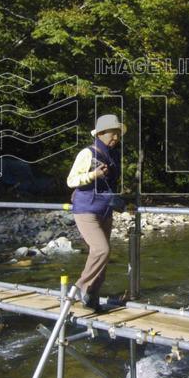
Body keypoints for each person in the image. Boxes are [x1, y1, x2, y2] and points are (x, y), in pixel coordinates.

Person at [66, 114, 125, 311]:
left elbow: (111, 185)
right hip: (86, 210)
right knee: (102, 250)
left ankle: (92, 300)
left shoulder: (114, 154)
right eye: (113, 133)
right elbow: (71, 181)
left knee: (102, 258)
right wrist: (94, 174)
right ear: (100, 133)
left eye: (118, 134)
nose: (116, 137)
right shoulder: (87, 153)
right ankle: (80, 288)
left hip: (106, 210)